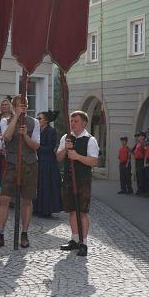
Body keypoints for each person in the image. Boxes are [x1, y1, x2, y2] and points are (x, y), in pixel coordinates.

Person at [0, 95, 40, 249]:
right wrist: (16, 117)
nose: (24, 107)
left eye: (26, 104)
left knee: (27, 200)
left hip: (29, 164)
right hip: (12, 163)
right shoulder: (5, 121)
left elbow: (36, 146)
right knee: (4, 199)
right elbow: (7, 137)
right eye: (20, 105)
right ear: (14, 107)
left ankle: (24, 234)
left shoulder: (34, 122)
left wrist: (25, 136)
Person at [57, 111, 99, 257]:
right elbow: (58, 158)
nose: (72, 123)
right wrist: (65, 148)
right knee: (72, 211)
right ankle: (74, 239)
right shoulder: (66, 138)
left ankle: (84, 242)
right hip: (69, 179)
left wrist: (77, 156)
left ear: (84, 123)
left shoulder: (90, 140)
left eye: (75, 121)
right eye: (71, 121)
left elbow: (94, 161)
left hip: (83, 180)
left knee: (82, 212)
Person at [33, 110, 62, 217]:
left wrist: (36, 147)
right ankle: (37, 208)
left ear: (46, 120)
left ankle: (46, 209)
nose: (37, 120)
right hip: (39, 160)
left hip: (48, 162)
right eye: (37, 118)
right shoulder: (37, 131)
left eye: (39, 118)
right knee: (38, 185)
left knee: (46, 185)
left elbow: (50, 148)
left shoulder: (51, 131)